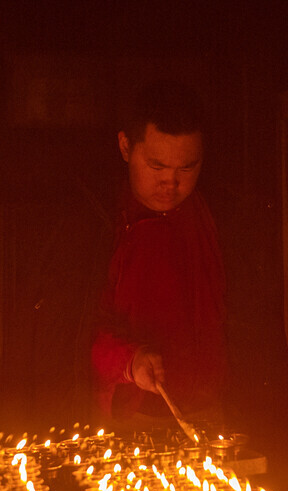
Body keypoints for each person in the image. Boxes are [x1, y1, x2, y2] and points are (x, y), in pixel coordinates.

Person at [91, 82, 226, 428]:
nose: (171, 183)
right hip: (132, 419)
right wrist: (129, 360)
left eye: (187, 168)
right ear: (125, 146)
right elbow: (75, 335)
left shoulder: (218, 219)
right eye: (157, 166)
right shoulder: (99, 227)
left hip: (214, 415)